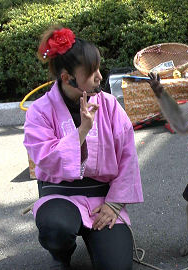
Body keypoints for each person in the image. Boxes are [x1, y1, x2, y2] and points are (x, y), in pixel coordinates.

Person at [23, 26, 143, 270]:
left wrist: (114, 204)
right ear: (67, 77)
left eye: (99, 68)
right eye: (91, 72)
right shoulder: (39, 111)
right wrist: (81, 132)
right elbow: (44, 160)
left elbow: (128, 157)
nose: (100, 77)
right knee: (56, 227)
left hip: (104, 196)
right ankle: (61, 254)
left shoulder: (109, 106)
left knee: (116, 266)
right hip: (60, 195)